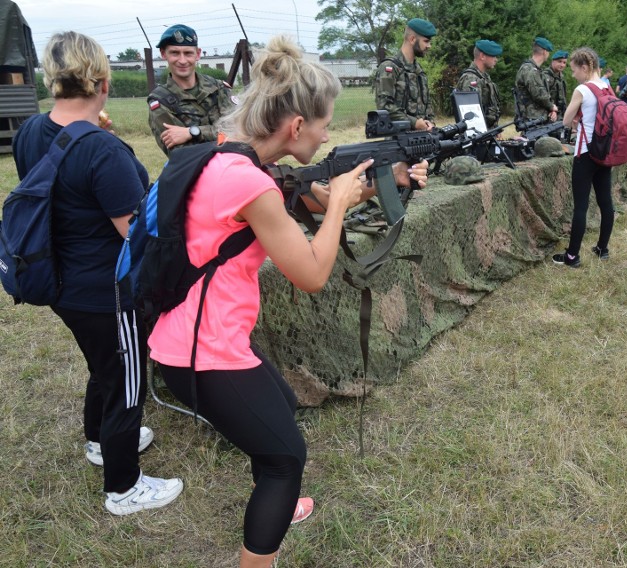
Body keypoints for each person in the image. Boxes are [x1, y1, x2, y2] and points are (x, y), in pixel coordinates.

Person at [148, 35, 428, 567]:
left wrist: (384, 182)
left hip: (197, 335)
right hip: (202, 352)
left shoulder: (237, 156)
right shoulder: (247, 183)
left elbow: (312, 196)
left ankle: (279, 493)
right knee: (285, 457)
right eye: (323, 125)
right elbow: (312, 273)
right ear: (296, 126)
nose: (326, 136)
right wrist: (342, 206)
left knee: (283, 403)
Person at [12, 31, 183, 515]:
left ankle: (97, 441)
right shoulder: (104, 154)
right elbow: (134, 232)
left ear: (53, 79)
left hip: (59, 280)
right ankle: (124, 487)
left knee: (103, 366)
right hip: (107, 289)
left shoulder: (30, 131)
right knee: (127, 380)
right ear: (104, 83)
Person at [552, 47, 614, 269]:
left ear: (584, 67)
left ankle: (572, 256)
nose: (572, 74)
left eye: (574, 69)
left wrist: (575, 116)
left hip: (585, 153)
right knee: (606, 201)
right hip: (604, 151)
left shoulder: (582, 89)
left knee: (581, 206)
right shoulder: (606, 86)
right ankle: (602, 249)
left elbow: (566, 120)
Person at [147, 24, 236, 156]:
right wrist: (223, 138)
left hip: (235, 167)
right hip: (197, 174)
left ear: (198, 54)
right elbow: (183, 155)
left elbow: (239, 132)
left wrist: (192, 132)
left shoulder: (219, 88)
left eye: (188, 53)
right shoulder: (160, 101)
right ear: (163, 54)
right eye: (175, 53)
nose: (182, 61)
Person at [375, 18, 436, 131]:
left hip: (422, 139)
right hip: (398, 140)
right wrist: (414, 123)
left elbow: (427, 104)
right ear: (412, 39)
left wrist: (430, 123)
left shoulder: (419, 71)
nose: (429, 46)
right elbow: (385, 106)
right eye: (426, 41)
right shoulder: (390, 68)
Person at [455, 39, 503, 128]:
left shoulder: (484, 77)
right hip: (477, 133)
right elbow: (470, 115)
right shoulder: (471, 79)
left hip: (487, 131)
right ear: (482, 56)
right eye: (493, 56)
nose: (496, 60)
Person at [515, 36, 558, 122]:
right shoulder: (530, 70)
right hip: (532, 118)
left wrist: (551, 109)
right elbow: (539, 95)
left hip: (536, 117)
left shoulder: (533, 69)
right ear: (545, 52)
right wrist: (552, 107)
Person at [543, 50, 569, 117]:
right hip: (548, 114)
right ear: (553, 61)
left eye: (564, 63)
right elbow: (542, 97)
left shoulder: (561, 78)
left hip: (560, 114)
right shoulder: (545, 76)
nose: (562, 65)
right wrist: (551, 110)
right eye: (559, 61)